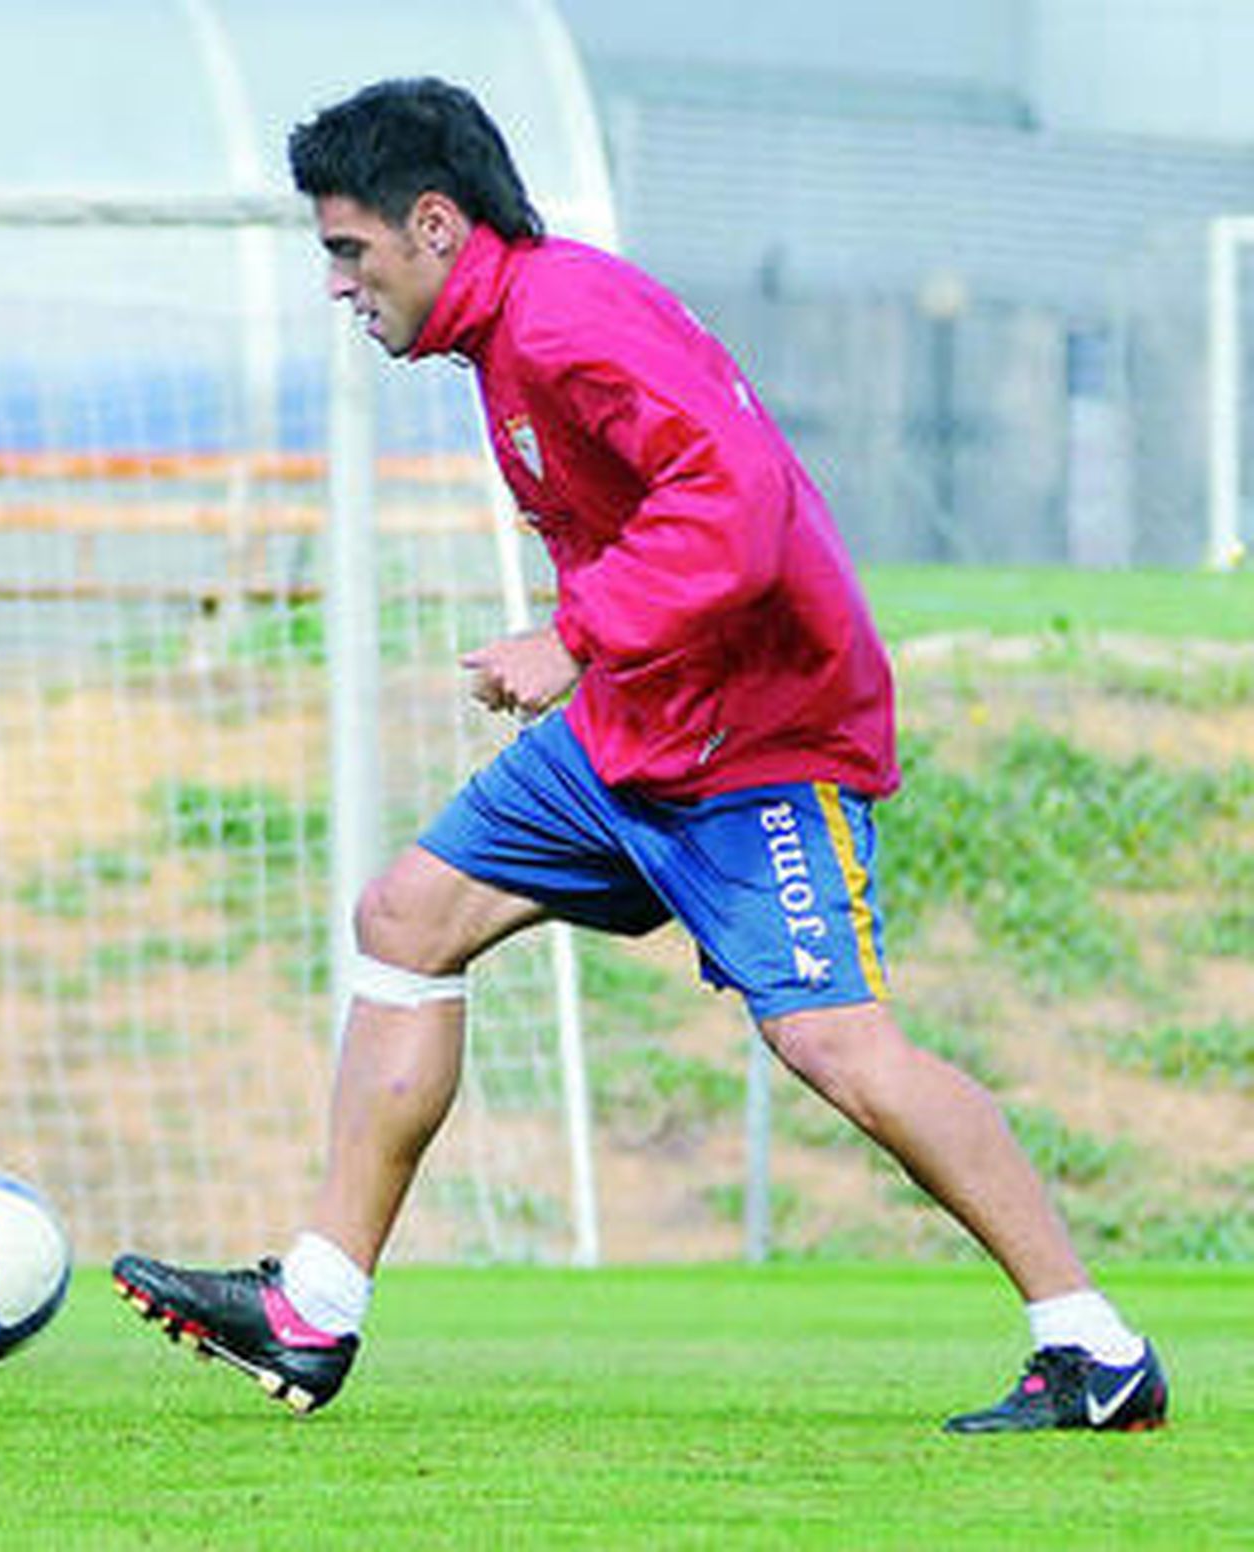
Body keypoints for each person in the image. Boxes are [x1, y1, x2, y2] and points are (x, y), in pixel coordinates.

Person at [113, 77, 1167, 1434]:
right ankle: (316, 1308)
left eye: (349, 249)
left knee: (839, 1045)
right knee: (406, 919)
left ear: (433, 224)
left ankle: (1097, 1349)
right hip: (640, 726)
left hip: (762, 741)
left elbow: (739, 502)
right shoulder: (507, 336)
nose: (338, 282)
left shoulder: (567, 321)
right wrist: (602, 654)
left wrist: (577, 632)